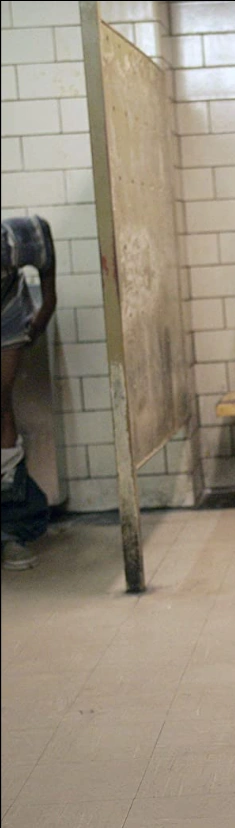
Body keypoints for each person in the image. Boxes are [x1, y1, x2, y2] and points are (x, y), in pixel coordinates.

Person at [1, 215, 57, 570]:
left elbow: (42, 236)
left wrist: (45, 310)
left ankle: (11, 531)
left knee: (0, 404)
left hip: (6, 313)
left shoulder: (13, 242)